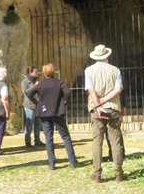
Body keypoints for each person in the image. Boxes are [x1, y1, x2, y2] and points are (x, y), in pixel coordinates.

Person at [26, 63, 80, 170]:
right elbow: (67, 92)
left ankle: (52, 163)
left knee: (48, 138)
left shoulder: (41, 84)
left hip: (44, 113)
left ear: (44, 73)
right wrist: (64, 102)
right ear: (53, 71)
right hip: (57, 113)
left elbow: (29, 93)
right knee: (65, 137)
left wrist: (38, 102)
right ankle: (72, 161)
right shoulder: (59, 83)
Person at [85, 44, 125, 182]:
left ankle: (96, 173)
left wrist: (98, 104)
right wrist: (105, 100)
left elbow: (91, 90)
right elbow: (118, 89)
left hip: (96, 109)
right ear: (107, 55)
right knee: (116, 141)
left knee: (97, 141)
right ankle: (119, 172)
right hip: (113, 107)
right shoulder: (115, 70)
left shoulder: (89, 70)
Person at [21, 66, 44, 147]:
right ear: (30, 72)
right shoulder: (24, 81)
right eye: (35, 72)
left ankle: (37, 140)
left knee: (38, 123)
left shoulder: (37, 80)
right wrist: (35, 86)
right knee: (29, 124)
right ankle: (27, 141)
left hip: (38, 105)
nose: (37, 73)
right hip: (30, 105)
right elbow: (26, 92)